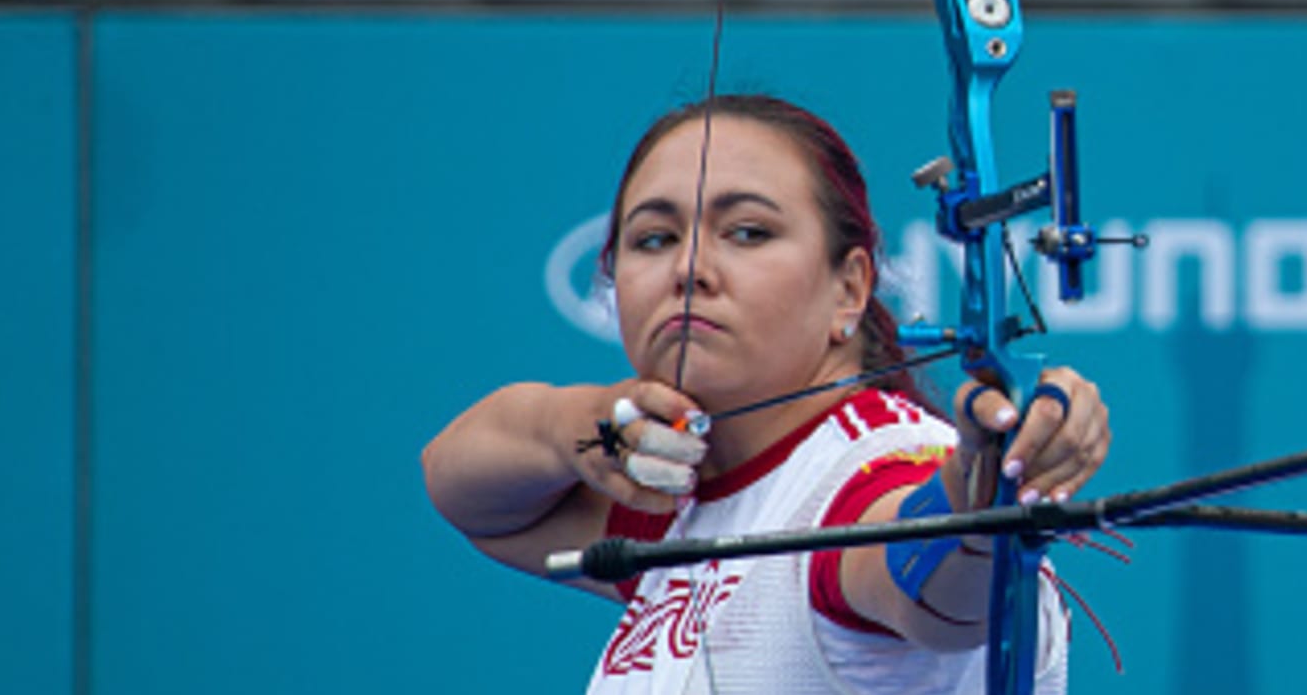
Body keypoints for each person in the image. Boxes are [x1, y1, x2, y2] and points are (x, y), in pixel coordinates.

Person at [423, 94, 1109, 694]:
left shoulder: (871, 474)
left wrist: (977, 493)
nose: (689, 268)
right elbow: (466, 490)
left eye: (748, 232)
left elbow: (931, 583)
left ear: (850, 286)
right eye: (653, 239)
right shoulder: (676, 497)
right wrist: (576, 426)